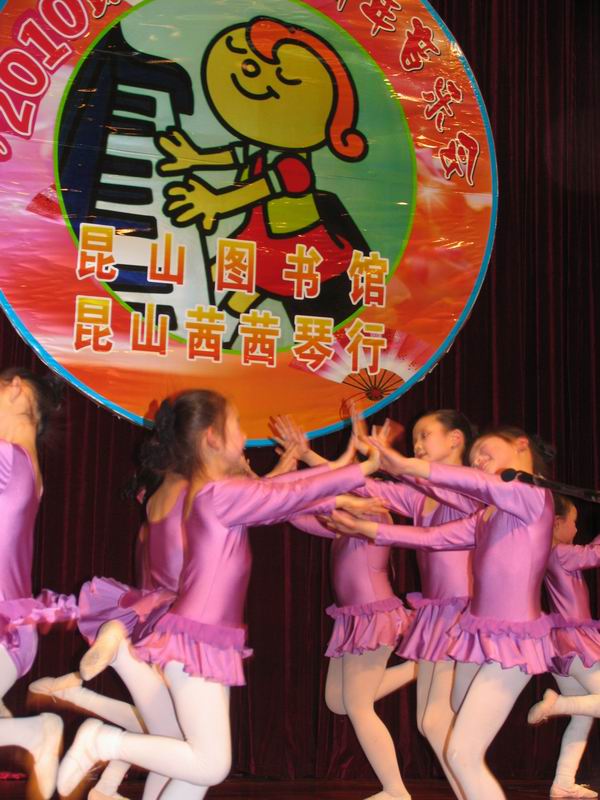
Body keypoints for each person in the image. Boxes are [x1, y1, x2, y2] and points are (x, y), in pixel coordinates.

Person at [57, 389, 381, 799]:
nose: (244, 437)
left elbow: (283, 494)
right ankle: (102, 742)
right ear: (212, 437)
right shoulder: (218, 495)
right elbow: (286, 494)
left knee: (191, 772)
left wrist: (343, 477)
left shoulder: (212, 492)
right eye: (237, 427)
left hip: (201, 638)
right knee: (211, 764)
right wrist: (363, 467)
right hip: (198, 639)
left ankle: (109, 728)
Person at [329, 425, 556, 800]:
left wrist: (405, 465)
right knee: (444, 724)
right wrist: (366, 527)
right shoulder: (487, 515)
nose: (478, 459)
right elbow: (433, 538)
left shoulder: (529, 495)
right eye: (475, 456)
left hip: (513, 642)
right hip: (478, 636)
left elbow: (476, 484)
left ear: (520, 445)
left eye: (485, 450)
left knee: (461, 752)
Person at [271, 410, 480, 800]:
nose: (417, 444)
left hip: (460, 613)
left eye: (425, 435)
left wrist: (390, 462)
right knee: (426, 721)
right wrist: (308, 457)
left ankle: (400, 791)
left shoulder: (467, 489)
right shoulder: (420, 499)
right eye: (414, 438)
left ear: (455, 439)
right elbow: (364, 485)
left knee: (428, 718)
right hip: (435, 613)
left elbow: (416, 491)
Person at [0, 367, 78, 799]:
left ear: (15, 389)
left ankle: (36, 733)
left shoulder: (8, 458)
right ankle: (32, 734)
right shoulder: (27, 465)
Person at [527, 494, 600, 799]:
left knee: (583, 716)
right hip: (576, 641)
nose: (576, 529)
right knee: (582, 708)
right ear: (557, 523)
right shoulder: (561, 553)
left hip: (561, 645)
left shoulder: (549, 553)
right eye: (573, 523)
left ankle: (563, 782)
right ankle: (558, 705)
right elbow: (594, 555)